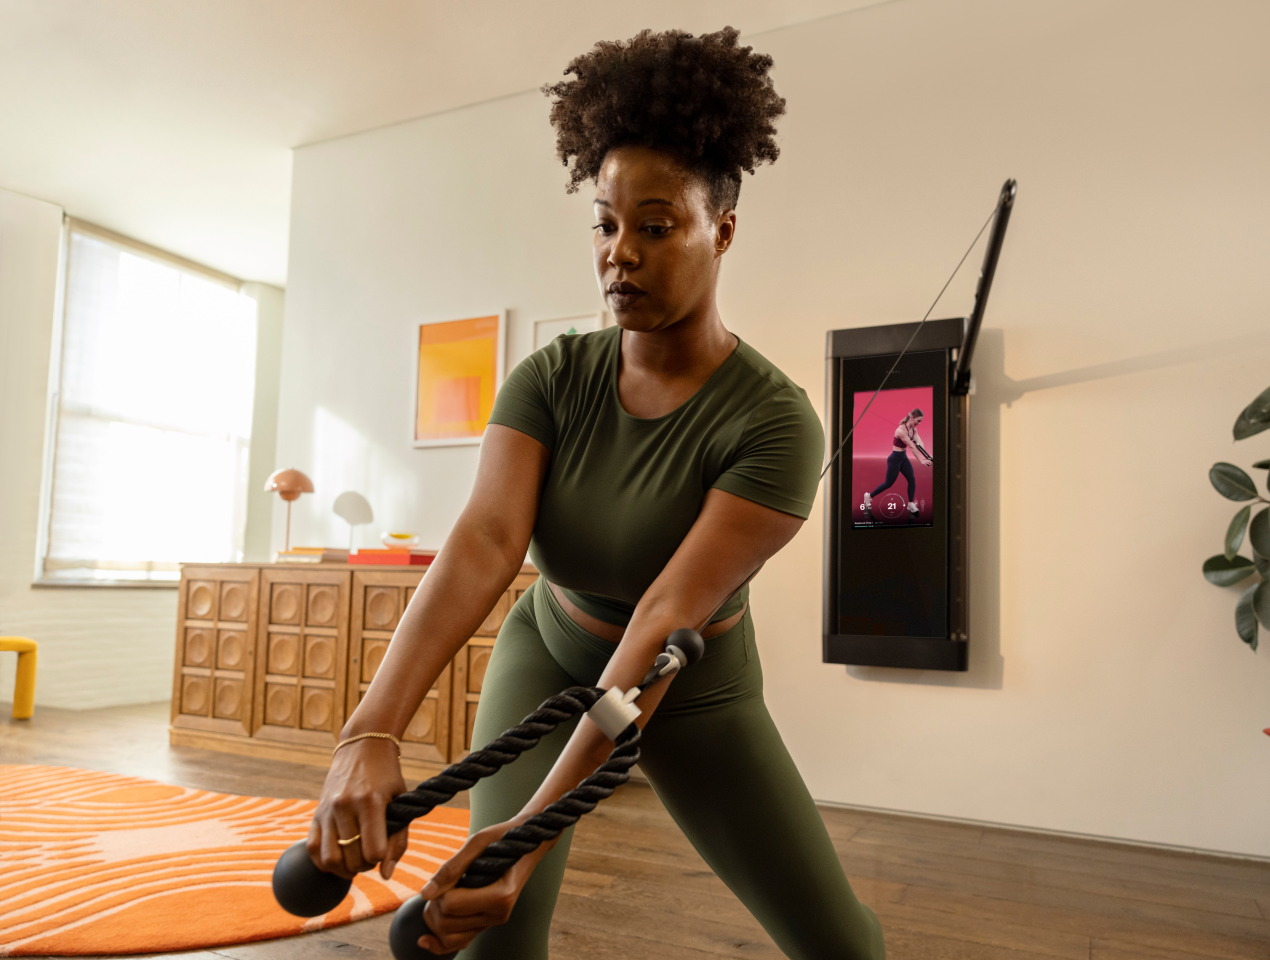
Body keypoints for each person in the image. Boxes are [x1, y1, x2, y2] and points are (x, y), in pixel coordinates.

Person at [305, 27, 885, 960]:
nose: (622, 253)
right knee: (491, 936)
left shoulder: (777, 425)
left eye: (656, 227)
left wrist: (530, 835)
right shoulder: (551, 377)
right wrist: (367, 731)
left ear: (721, 231)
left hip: (694, 693)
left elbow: (662, 619)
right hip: (551, 647)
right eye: (606, 225)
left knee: (842, 949)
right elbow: (488, 542)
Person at [862, 409, 931, 517]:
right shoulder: (901, 431)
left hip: (903, 458)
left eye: (920, 421)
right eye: (918, 421)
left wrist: (927, 455)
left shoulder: (913, 429)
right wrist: (921, 460)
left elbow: (919, 442)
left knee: (911, 479)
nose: (919, 423)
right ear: (912, 418)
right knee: (888, 484)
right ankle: (869, 496)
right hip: (895, 459)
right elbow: (912, 446)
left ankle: (910, 504)